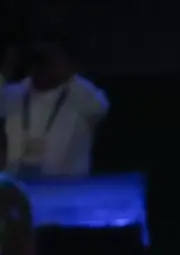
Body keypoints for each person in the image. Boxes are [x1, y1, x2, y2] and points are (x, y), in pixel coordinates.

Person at [0, 35, 109, 177]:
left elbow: (101, 108)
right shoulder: (11, 94)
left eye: (53, 62)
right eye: (42, 61)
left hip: (66, 189)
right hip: (18, 185)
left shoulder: (81, 96)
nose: (47, 68)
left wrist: (69, 76)